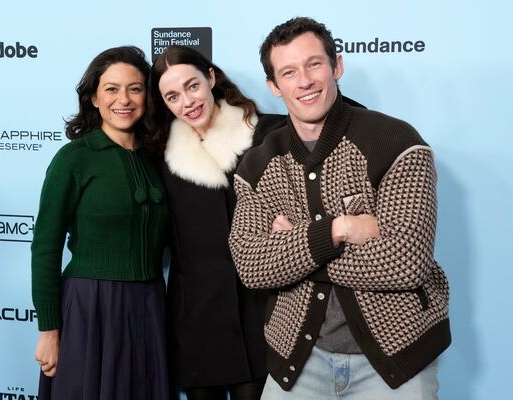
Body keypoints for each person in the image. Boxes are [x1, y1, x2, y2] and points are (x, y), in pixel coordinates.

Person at [229, 17, 451, 399]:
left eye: (314, 64)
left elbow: (406, 261)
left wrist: (294, 249)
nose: (305, 81)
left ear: (337, 66)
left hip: (395, 358)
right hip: (298, 358)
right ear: (274, 86)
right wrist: (339, 230)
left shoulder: (395, 141)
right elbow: (252, 265)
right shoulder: (257, 164)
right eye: (289, 72)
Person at [31, 46, 170, 400]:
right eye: (111, 89)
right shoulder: (73, 159)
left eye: (135, 88)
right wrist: (49, 330)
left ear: (147, 96)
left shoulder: (158, 157)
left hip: (149, 305)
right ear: (94, 97)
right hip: (90, 308)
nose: (123, 99)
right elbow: (45, 247)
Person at [145, 45, 280, 400]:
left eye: (192, 86)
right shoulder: (160, 155)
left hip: (258, 312)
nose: (187, 101)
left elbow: (339, 118)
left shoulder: (265, 134)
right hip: (195, 318)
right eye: (172, 96)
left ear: (211, 78)